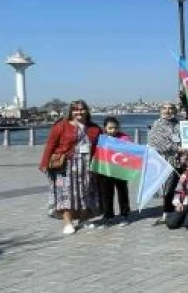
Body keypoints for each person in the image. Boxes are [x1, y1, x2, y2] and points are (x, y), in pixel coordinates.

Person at [39, 100, 101, 234]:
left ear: (87, 110)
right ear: (71, 111)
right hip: (64, 166)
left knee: (85, 192)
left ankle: (84, 219)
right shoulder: (61, 126)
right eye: (75, 109)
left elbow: (102, 146)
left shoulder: (94, 128)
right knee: (64, 194)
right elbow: (50, 145)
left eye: (81, 109)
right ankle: (67, 222)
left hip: (86, 166)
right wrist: (44, 163)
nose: (79, 112)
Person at [148, 103, 182, 225]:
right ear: (161, 111)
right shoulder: (157, 124)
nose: (168, 111)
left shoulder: (178, 124)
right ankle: (167, 212)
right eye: (165, 108)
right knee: (168, 187)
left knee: (181, 186)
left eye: (170, 108)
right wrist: (177, 148)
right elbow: (157, 143)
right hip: (166, 161)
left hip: (181, 160)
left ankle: (179, 209)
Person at [97, 117, 133, 226]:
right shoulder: (101, 139)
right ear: (105, 128)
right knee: (106, 194)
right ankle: (108, 215)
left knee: (122, 193)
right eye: (110, 128)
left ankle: (124, 214)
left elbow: (131, 151)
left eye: (115, 128)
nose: (113, 130)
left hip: (120, 170)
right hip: (105, 170)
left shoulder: (124, 138)